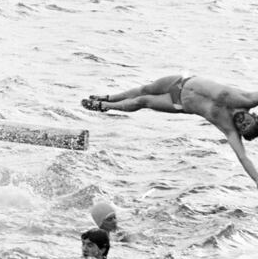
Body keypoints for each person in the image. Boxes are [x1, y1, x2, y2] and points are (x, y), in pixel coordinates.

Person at [82, 75, 258, 187]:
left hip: (179, 102)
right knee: (145, 89)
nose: (242, 122)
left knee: (142, 101)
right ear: (255, 116)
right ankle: (109, 97)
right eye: (247, 121)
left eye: (243, 127)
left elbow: (243, 158)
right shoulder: (247, 99)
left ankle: (104, 106)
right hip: (182, 82)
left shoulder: (228, 129)